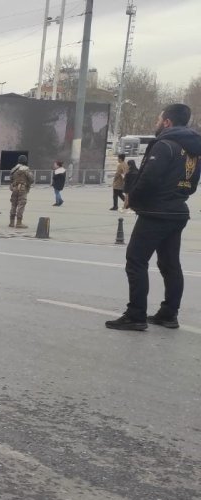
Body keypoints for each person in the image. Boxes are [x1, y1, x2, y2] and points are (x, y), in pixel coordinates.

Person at [106, 104, 200, 331]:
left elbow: (149, 180)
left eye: (159, 119)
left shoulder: (164, 145)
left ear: (167, 122)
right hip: (177, 210)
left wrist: (133, 197)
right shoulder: (194, 150)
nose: (157, 123)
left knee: (136, 261)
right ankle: (169, 314)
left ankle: (135, 315)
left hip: (156, 212)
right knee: (170, 264)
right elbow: (192, 185)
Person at [8, 155, 34, 228]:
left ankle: (11, 222)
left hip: (14, 188)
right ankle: (19, 223)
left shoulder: (13, 169)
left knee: (13, 204)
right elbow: (32, 179)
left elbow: (11, 179)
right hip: (23, 188)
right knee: (21, 204)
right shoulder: (26, 169)